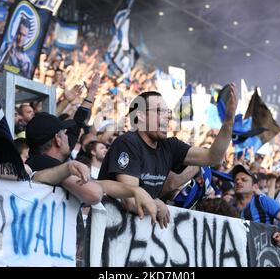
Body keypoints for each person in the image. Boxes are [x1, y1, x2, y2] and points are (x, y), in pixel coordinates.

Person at [98, 85, 237, 228]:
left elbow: (212, 157)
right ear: (140, 116)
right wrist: (157, 203)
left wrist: (228, 122)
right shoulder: (128, 143)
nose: (167, 117)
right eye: (160, 111)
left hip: (135, 233)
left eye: (167, 112)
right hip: (107, 229)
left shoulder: (169, 146)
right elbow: (131, 201)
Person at [25, 112, 158, 222]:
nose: (68, 138)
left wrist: (135, 191)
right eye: (64, 133)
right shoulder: (43, 163)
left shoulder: (40, 162)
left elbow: (97, 184)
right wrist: (134, 191)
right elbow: (94, 193)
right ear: (57, 139)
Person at [231, 164, 280, 246]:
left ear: (254, 187)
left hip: (260, 253)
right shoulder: (229, 205)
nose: (238, 182)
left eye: (244, 180)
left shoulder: (263, 201)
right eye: (236, 180)